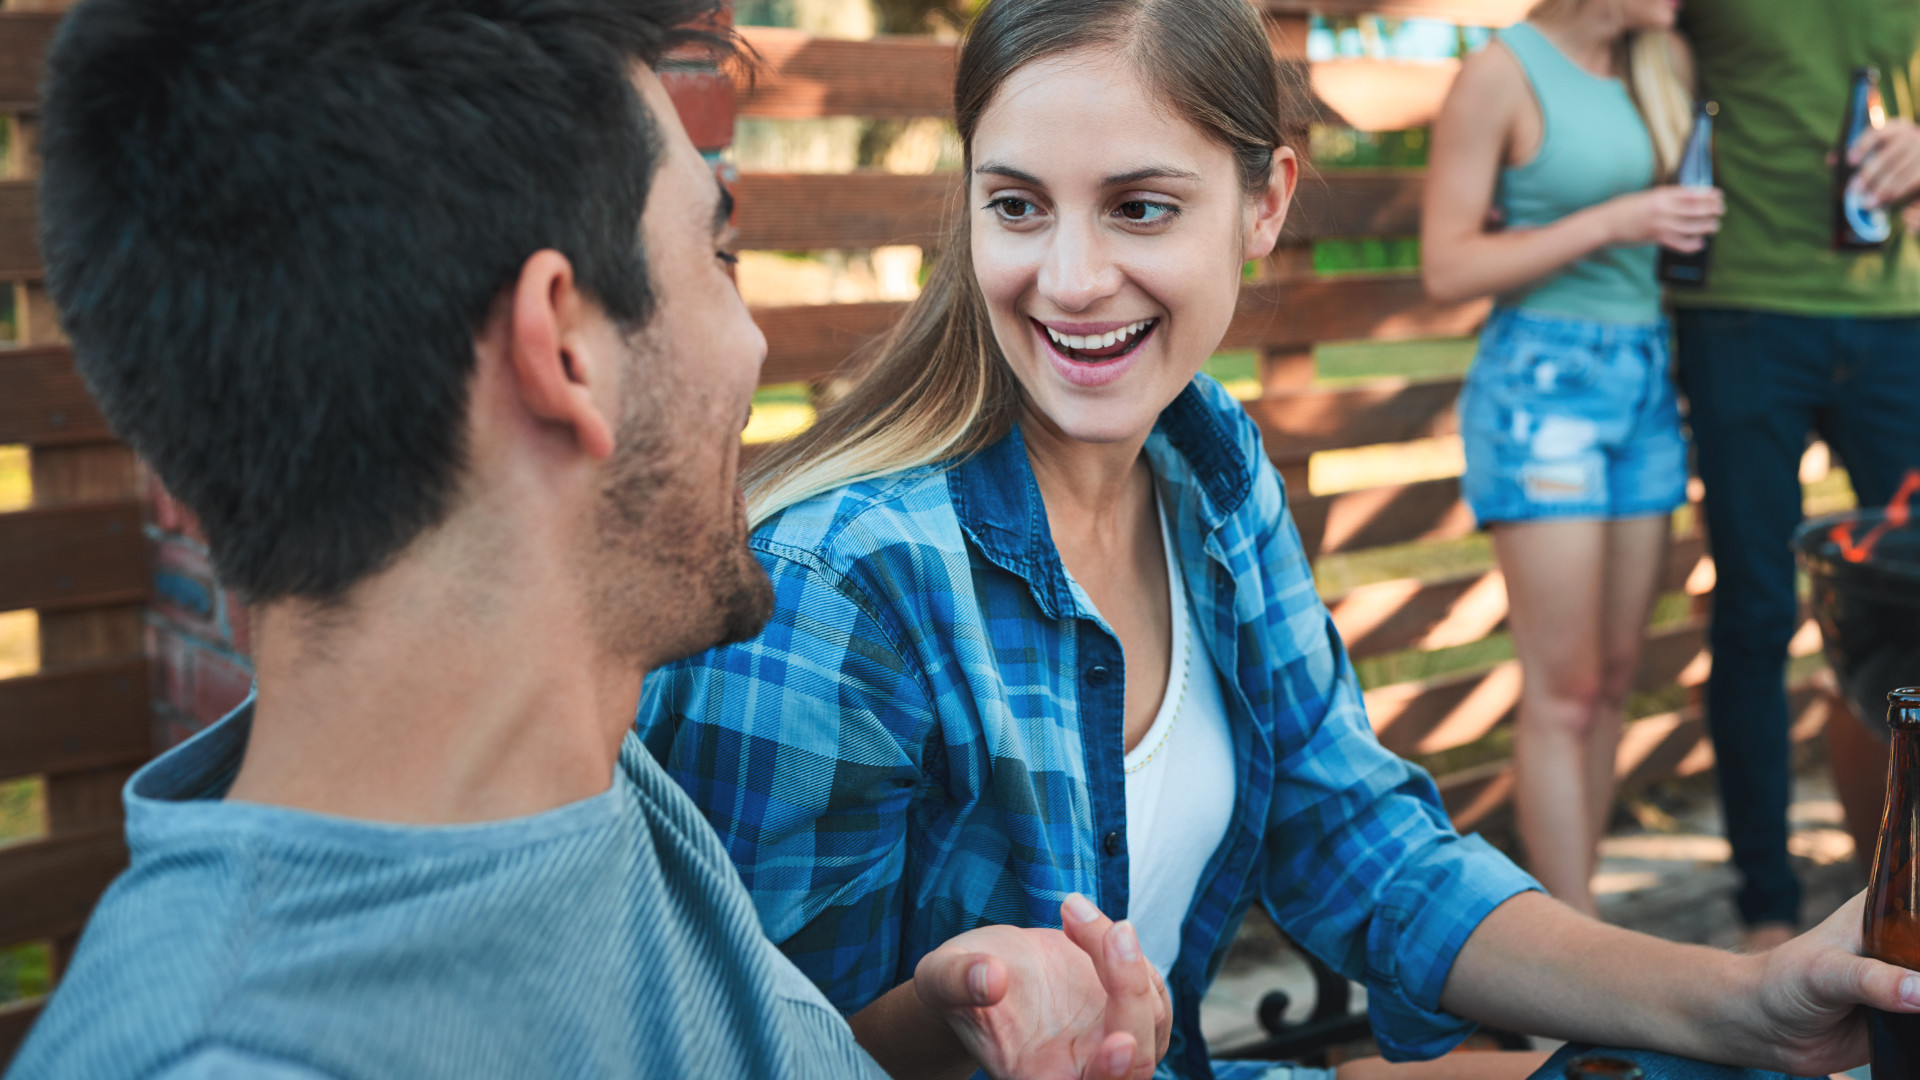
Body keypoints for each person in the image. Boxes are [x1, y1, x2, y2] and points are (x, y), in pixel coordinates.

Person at [636, 0, 1920, 1077]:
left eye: (1140, 208)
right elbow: (753, 1046)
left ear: (1265, 202)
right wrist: (961, 1018)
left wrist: (1741, 999)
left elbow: (1356, 836)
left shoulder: (1208, 462)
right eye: (1018, 206)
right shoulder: (838, 579)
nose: (1070, 278)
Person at [6, 1, 1173, 1077]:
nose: (755, 344)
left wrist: (941, 1033)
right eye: (716, 257)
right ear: (566, 350)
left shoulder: (585, 788)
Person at [1419, 0, 1721, 917]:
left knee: (1616, 677)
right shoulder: (1501, 73)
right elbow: (1447, 267)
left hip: (1642, 379)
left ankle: (1578, 923)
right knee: (1567, 690)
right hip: (1542, 386)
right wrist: (1615, 220)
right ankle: (1569, 967)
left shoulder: (1661, 58)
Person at [1670, 0, 1920, 955]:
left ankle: (1899, 885)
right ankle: (1767, 909)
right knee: (1757, 609)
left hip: (1897, 312)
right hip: (1743, 312)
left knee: (1909, 616)